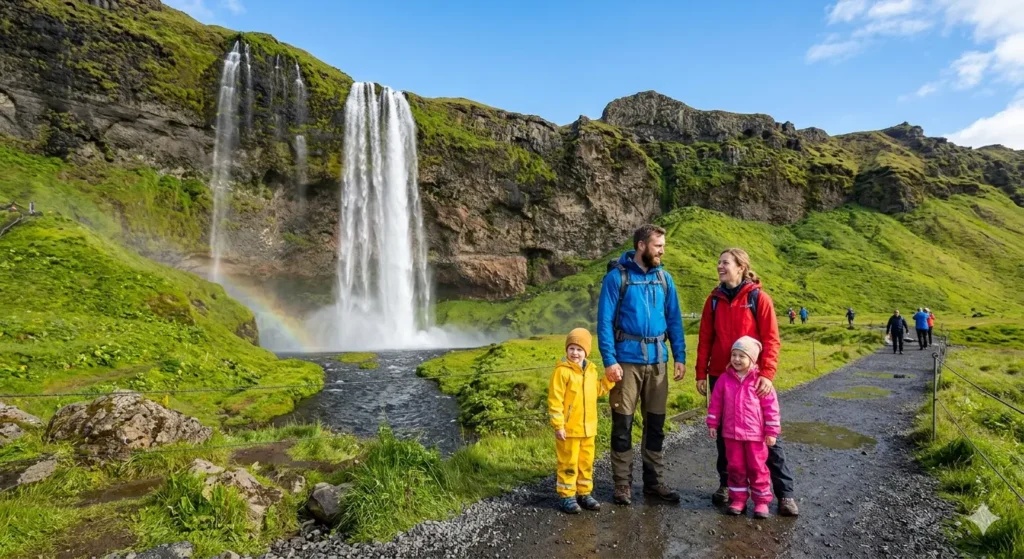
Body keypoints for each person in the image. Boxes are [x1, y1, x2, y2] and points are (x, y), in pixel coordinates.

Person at [696, 248, 798, 516]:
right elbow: (705, 338)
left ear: (741, 267)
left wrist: (767, 373)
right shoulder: (713, 300)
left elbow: (772, 339)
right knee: (724, 436)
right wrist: (700, 373)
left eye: (725, 262)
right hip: (721, 375)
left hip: (755, 378)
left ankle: (784, 494)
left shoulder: (758, 298)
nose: (719, 266)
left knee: (767, 437)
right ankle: (727, 486)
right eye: (718, 262)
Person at [597, 224, 687, 506]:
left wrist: (679, 356)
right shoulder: (616, 279)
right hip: (626, 363)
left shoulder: (664, 279)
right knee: (622, 424)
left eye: (663, 246)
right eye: (658, 245)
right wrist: (610, 361)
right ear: (641, 246)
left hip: (658, 360)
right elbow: (604, 323)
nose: (662, 250)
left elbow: (674, 319)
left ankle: (653, 483)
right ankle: (622, 484)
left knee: (656, 425)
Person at [706, 336, 781, 519]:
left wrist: (772, 432)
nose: (737, 359)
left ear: (752, 359)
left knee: (757, 468)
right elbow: (715, 403)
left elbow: (771, 408)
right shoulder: (724, 380)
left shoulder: (760, 382)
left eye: (742, 356)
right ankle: (738, 499)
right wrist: (712, 423)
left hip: (755, 436)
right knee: (736, 467)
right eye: (734, 355)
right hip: (732, 435)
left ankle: (761, 502)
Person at [548, 328, 615, 514]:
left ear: (586, 351)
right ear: (566, 350)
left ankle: (584, 493)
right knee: (568, 463)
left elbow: (598, 390)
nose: (575, 353)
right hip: (569, 431)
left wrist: (610, 381)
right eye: (571, 348)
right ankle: (566, 495)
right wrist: (558, 425)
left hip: (589, 430)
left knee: (586, 462)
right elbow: (555, 400)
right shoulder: (562, 372)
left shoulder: (591, 371)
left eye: (579, 349)